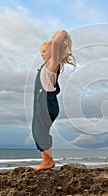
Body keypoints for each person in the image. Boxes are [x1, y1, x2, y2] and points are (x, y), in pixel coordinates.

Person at [32, 30, 76, 171]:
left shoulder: (53, 64)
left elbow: (56, 43)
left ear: (53, 51)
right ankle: (47, 160)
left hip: (46, 103)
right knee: (38, 130)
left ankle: (48, 162)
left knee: (40, 131)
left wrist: (62, 34)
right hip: (42, 103)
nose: (42, 54)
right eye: (41, 52)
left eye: (44, 51)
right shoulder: (45, 67)